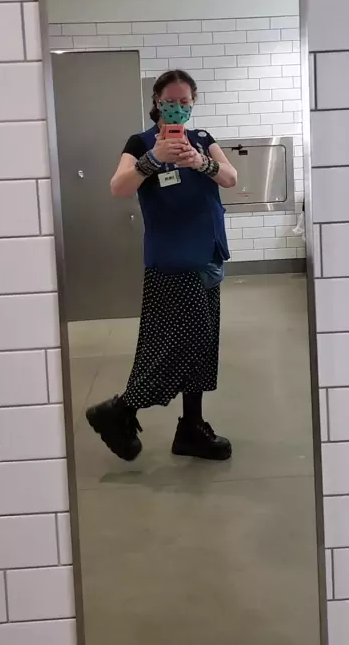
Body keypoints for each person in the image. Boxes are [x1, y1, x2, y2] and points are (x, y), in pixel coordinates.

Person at [86, 69, 238, 462]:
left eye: (185, 101)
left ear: (193, 102)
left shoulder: (202, 139)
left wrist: (200, 162)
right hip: (171, 260)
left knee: (202, 345)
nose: (178, 107)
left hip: (208, 255)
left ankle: (191, 428)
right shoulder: (140, 143)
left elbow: (230, 178)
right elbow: (119, 187)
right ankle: (120, 410)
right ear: (157, 101)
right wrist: (154, 160)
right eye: (170, 101)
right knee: (183, 342)